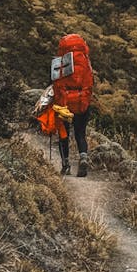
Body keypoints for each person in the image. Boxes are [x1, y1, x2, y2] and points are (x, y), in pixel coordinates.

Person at [52, 33, 94, 176]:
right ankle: (83, 157)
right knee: (80, 133)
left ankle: (66, 165)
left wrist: (58, 102)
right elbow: (90, 84)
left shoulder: (60, 62)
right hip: (82, 102)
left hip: (64, 103)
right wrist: (85, 99)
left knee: (63, 134)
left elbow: (57, 85)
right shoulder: (86, 62)